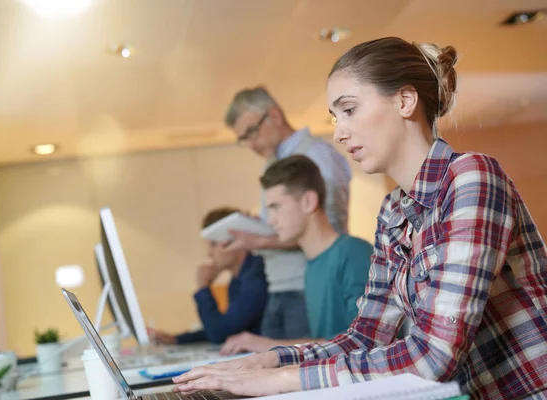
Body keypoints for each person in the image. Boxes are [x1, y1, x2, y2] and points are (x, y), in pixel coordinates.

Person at [172, 37, 547, 399]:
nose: (338, 132)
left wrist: (284, 380)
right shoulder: (393, 211)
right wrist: (271, 360)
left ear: (405, 100)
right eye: (335, 117)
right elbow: (365, 337)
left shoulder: (471, 177)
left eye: (349, 110)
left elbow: (434, 356)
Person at [223, 86, 352, 340]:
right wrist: (261, 228)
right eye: (243, 138)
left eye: (251, 132)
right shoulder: (275, 162)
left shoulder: (316, 154)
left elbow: (326, 229)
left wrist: (259, 240)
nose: (250, 144)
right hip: (279, 285)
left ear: (275, 116)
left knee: (298, 372)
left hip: (305, 286)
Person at [220, 155, 372, 355]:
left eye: (276, 207)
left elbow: (365, 342)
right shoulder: (311, 266)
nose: (271, 221)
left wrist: (268, 346)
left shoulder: (354, 253)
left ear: (308, 201)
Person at [149, 207, 268, 345]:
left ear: (235, 240)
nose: (209, 254)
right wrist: (177, 339)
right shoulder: (238, 280)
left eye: (213, 244)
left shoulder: (257, 276)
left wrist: (203, 287)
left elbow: (219, 333)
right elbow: (227, 326)